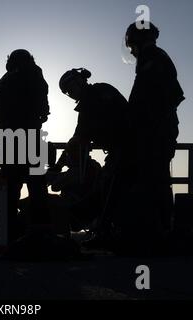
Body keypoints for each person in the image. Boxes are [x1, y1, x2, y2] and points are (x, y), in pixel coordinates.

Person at [120, 21, 185, 253]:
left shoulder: (152, 58)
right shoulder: (154, 58)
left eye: (131, 45)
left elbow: (148, 98)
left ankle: (158, 236)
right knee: (155, 179)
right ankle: (157, 233)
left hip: (155, 133)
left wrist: (141, 120)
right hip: (156, 130)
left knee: (154, 179)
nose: (131, 50)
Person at [54, 68, 130, 247]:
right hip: (122, 149)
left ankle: (105, 234)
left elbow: (79, 137)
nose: (69, 93)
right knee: (112, 188)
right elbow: (79, 137)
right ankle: (112, 231)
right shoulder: (98, 94)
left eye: (70, 87)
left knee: (109, 188)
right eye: (66, 91)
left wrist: (57, 166)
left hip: (125, 149)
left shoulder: (94, 98)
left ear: (80, 81)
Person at [0, 49, 51, 243]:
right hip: (30, 137)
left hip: (8, 139)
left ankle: (9, 234)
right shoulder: (34, 72)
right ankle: (40, 232)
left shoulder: (5, 79)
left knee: (11, 185)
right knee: (37, 185)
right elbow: (43, 102)